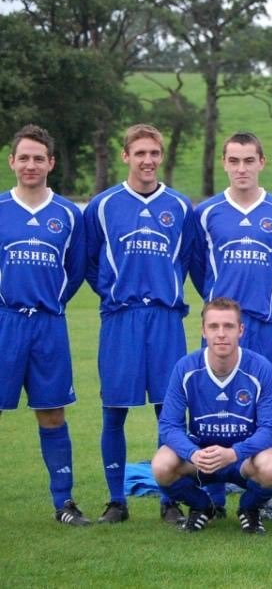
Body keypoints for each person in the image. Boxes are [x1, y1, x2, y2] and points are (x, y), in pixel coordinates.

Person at [84, 123, 197, 524]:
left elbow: (188, 260)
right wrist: (114, 293)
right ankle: (117, 501)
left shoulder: (181, 207)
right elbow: (90, 260)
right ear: (125, 156)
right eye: (140, 153)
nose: (147, 160)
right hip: (122, 319)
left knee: (168, 413)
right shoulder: (102, 205)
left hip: (166, 319)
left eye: (154, 153)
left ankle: (170, 500)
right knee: (114, 410)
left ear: (160, 157)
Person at [0, 124, 89, 525]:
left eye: (39, 158)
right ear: (11, 161)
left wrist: (50, 302)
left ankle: (63, 503)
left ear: (51, 163)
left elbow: (76, 269)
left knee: (52, 413)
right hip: (5, 322)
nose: (31, 165)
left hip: (49, 325)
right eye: (24, 157)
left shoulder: (69, 214)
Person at [152, 298, 272, 533]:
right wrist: (192, 453)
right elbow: (169, 425)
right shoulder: (186, 368)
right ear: (203, 330)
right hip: (201, 456)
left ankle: (249, 508)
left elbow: (270, 429)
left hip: (243, 458)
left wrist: (234, 453)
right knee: (162, 464)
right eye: (213, 326)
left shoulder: (260, 368)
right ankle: (202, 506)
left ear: (240, 330)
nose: (221, 334)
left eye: (228, 326)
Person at [192, 131, 272, 396]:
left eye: (249, 160)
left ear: (261, 162)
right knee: (215, 400)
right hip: (221, 324)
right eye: (235, 160)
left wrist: (266, 296)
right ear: (224, 162)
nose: (242, 169)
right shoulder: (205, 212)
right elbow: (197, 268)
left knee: (266, 400)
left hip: (265, 321)